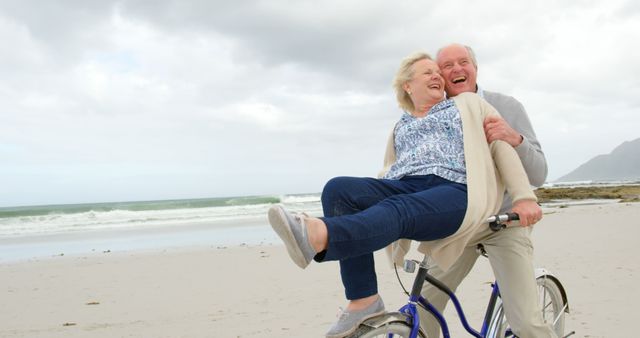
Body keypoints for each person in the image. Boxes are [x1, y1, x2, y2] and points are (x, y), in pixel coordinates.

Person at [267, 51, 542, 338]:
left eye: (439, 72)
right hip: (410, 187)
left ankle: (317, 234)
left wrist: (524, 197)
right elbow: (390, 171)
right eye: (429, 72)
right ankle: (364, 300)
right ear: (408, 86)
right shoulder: (402, 124)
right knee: (339, 189)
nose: (438, 75)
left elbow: (500, 148)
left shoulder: (470, 104)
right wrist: (369, 204)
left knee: (526, 324)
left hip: (456, 192)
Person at [416, 43, 556, 338]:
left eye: (463, 62)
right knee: (422, 308)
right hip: (461, 223)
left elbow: (539, 174)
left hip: (506, 222)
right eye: (447, 65)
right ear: (439, 76)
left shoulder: (507, 106)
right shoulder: (433, 115)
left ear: (475, 69)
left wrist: (515, 139)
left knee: (527, 325)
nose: (456, 69)